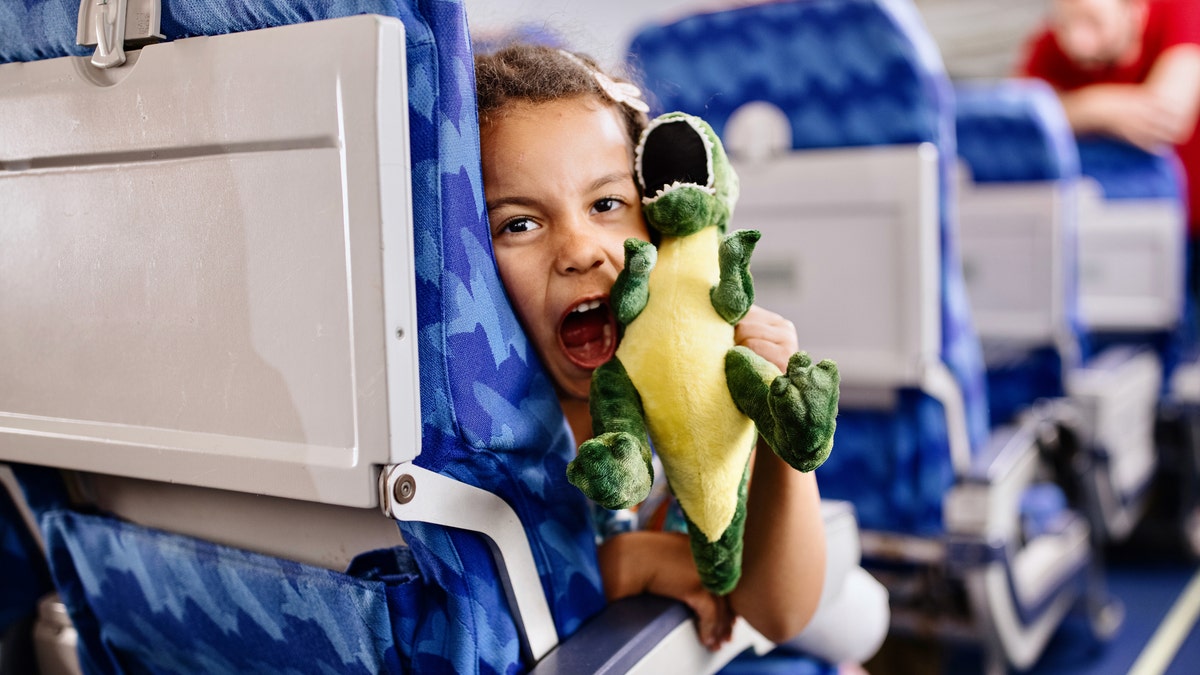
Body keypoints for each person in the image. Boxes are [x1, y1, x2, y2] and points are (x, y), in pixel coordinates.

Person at [474, 44, 828, 651]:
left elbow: (780, 611)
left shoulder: (701, 388)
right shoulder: (483, 434)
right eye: (519, 224)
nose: (581, 250)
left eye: (607, 205)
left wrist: (780, 430)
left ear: (660, 224)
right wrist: (628, 564)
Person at [1018, 0, 1200, 294]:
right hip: (1123, 227)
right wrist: (1097, 109)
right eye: (1064, 24)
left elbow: (1167, 118)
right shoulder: (1048, 44)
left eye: (1092, 22)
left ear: (1135, 8)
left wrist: (1076, 108)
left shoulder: (1182, 10)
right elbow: (1017, 123)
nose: (1077, 42)